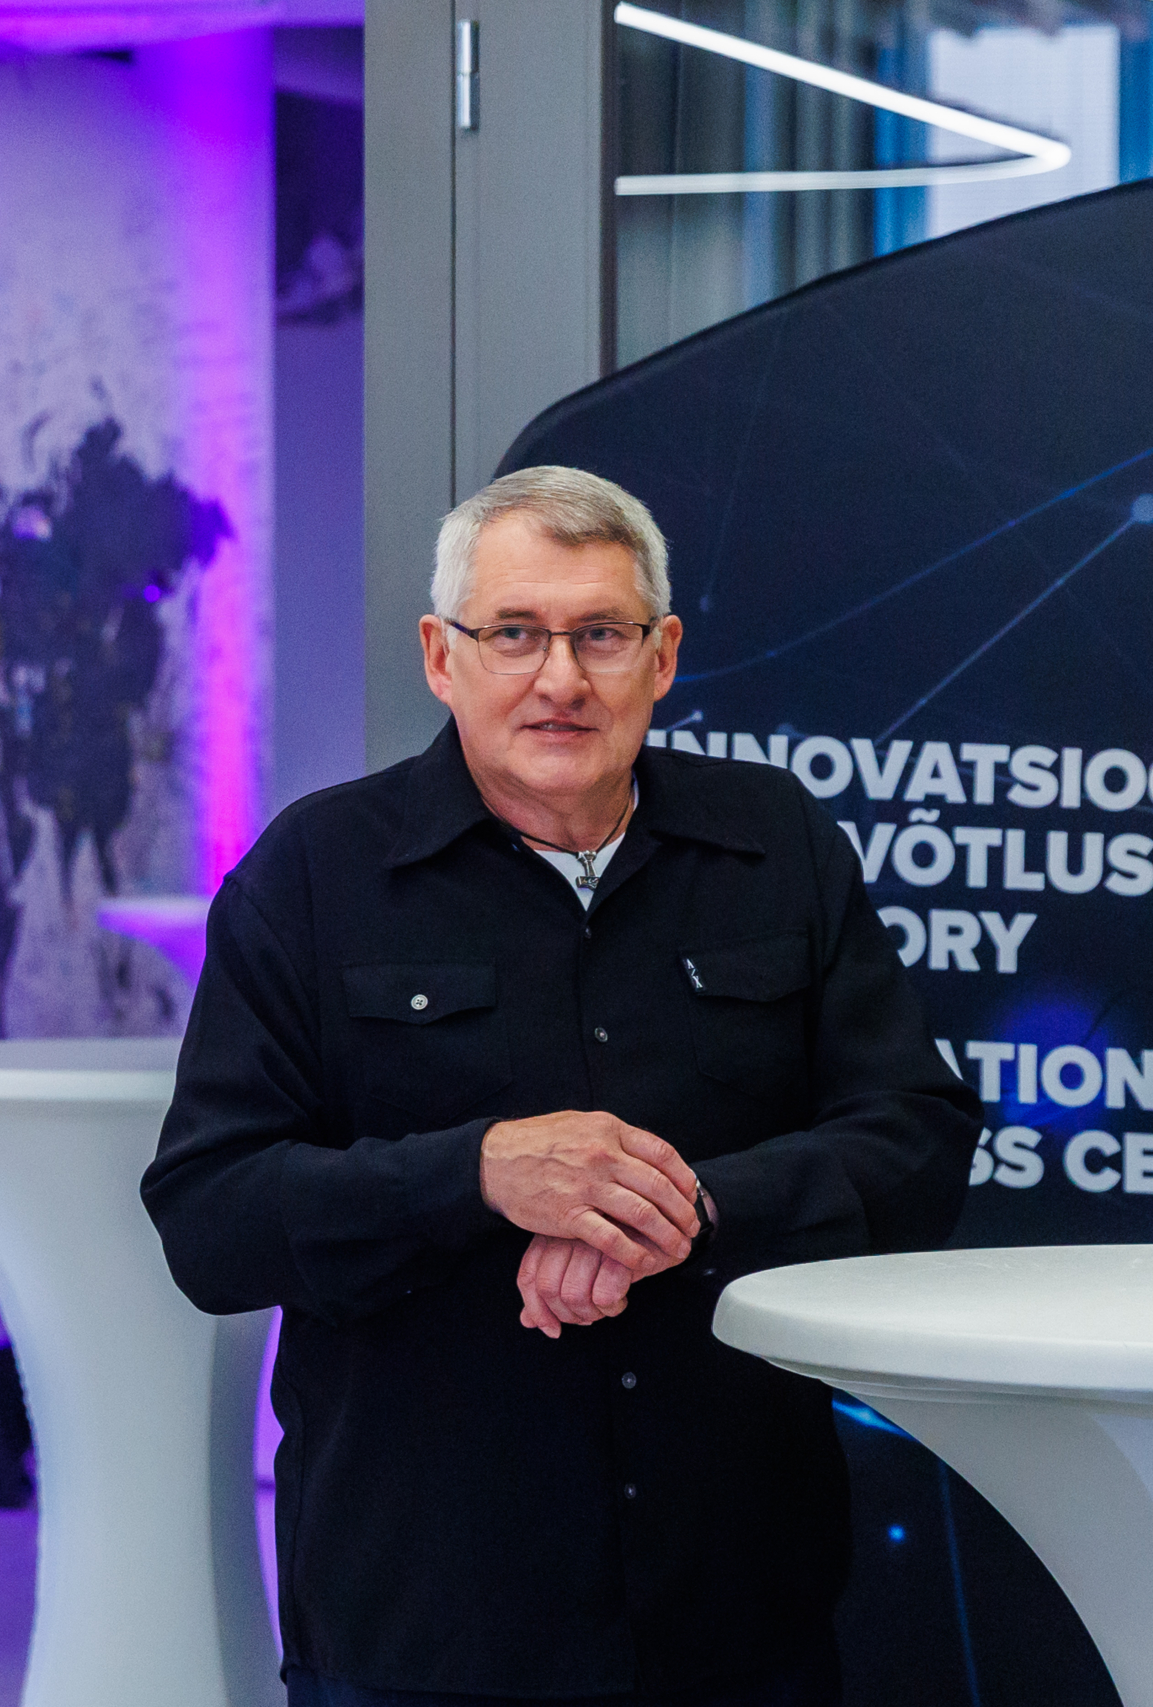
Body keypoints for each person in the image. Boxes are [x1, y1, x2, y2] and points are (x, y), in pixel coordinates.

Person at [143, 466, 979, 1707]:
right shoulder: (313, 875)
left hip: (736, 1607)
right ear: (441, 657)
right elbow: (211, 1218)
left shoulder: (776, 844)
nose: (560, 679)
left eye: (600, 634)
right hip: (428, 1625)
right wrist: (478, 1173)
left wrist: (680, 1208)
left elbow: (917, 1140)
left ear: (663, 654)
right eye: (515, 634)